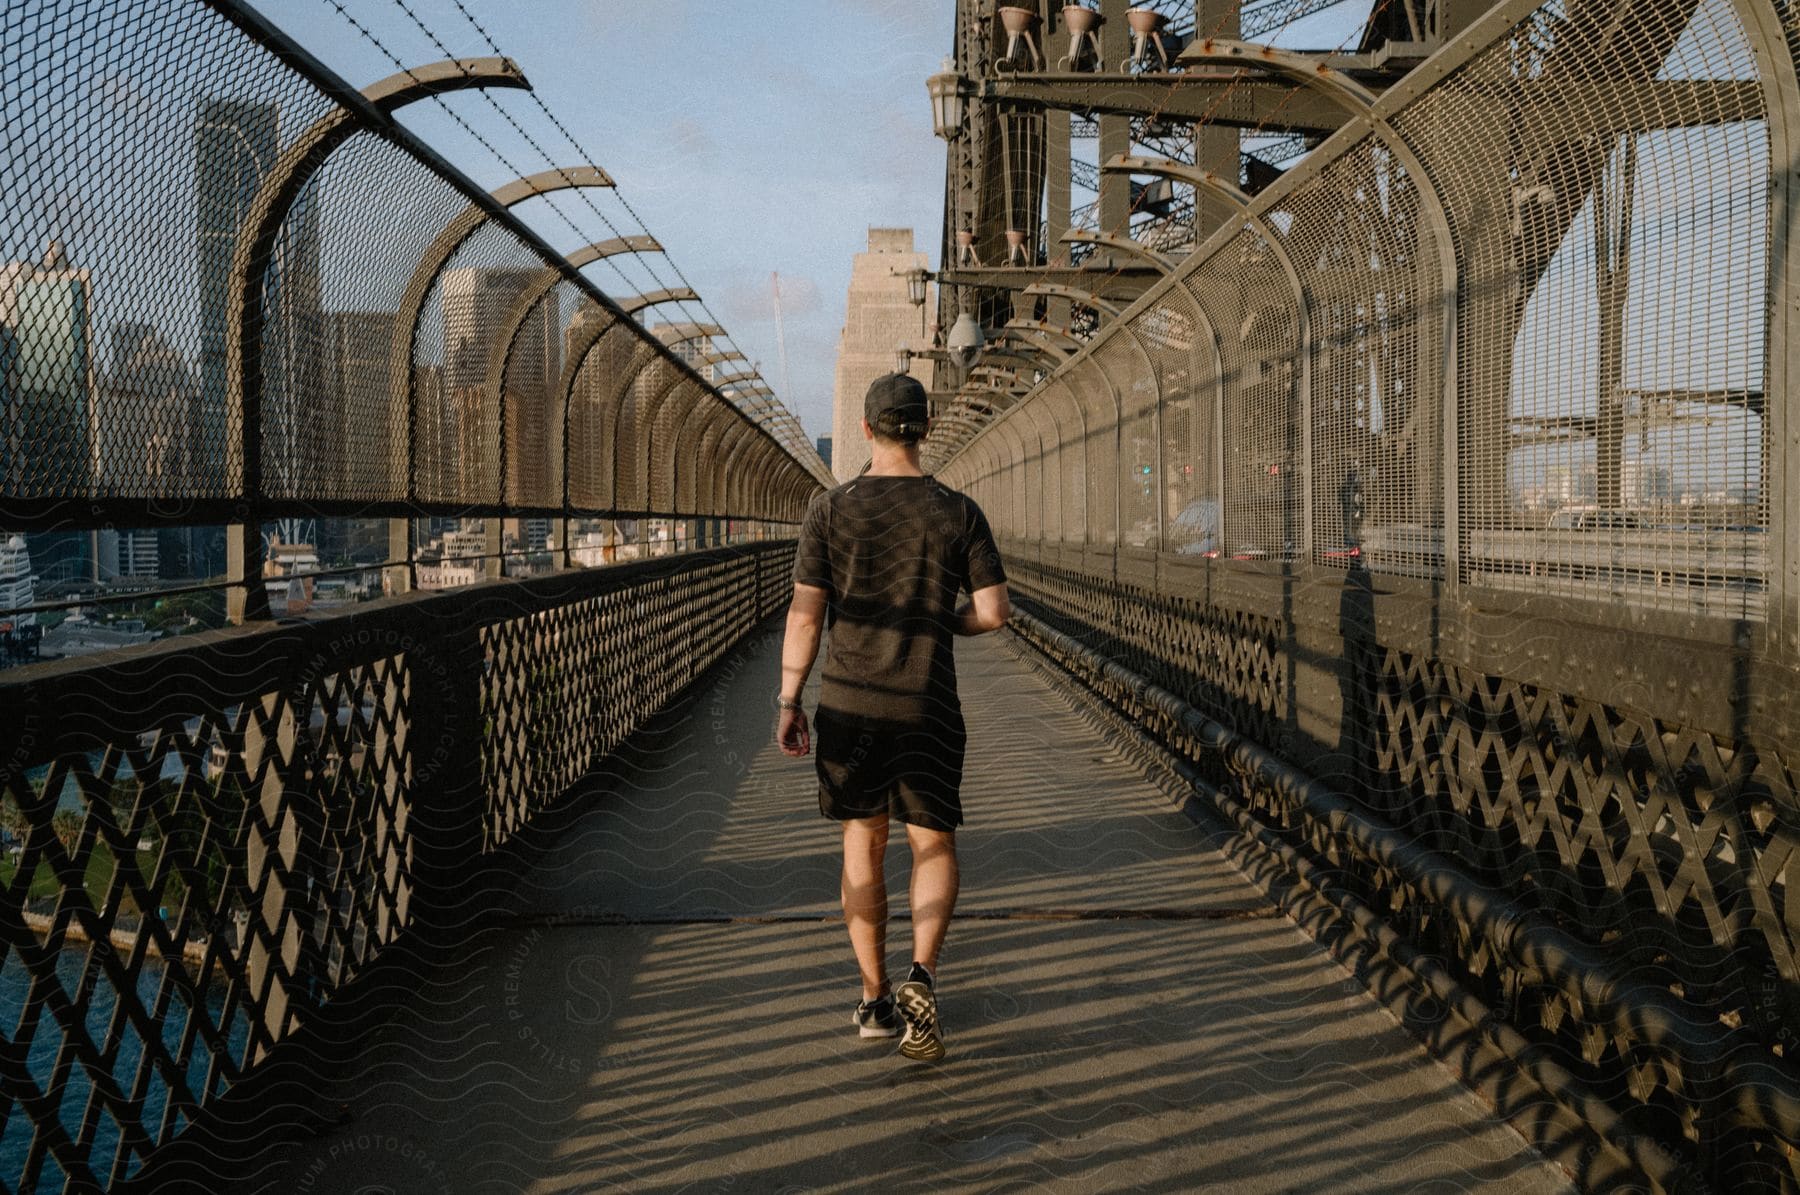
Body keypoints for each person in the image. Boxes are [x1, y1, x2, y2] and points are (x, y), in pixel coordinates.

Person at [776, 372, 1010, 1062]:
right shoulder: (958, 511)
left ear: (866, 429)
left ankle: (875, 996)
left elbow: (805, 615)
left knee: (862, 843)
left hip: (850, 705)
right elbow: (995, 612)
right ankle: (923, 974)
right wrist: (942, 620)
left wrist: (790, 700)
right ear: (927, 427)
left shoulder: (829, 509)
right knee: (932, 844)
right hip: (928, 704)